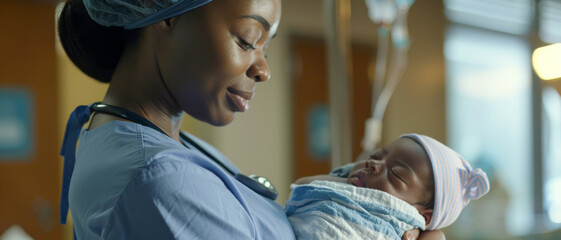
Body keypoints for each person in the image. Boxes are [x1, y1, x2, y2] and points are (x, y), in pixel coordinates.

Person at [57, 0, 446, 239]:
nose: (263, 69)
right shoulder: (160, 179)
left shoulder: (163, 142)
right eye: (247, 39)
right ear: (165, 14)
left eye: (266, 46)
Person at [288, 133, 490, 240]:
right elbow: (304, 186)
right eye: (375, 156)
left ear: (423, 216)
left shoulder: (404, 230)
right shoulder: (339, 187)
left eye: (396, 174)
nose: (373, 165)